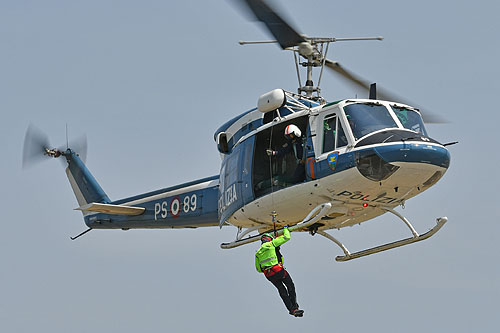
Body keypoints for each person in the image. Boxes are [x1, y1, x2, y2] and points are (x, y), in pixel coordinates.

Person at [255, 226, 304, 317]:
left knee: (282, 291)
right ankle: (294, 306)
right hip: (278, 270)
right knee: (290, 286)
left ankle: (291, 309)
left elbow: (258, 269)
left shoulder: (258, 253)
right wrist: (285, 228)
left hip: (269, 275)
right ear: (269, 239)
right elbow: (287, 237)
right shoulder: (272, 244)